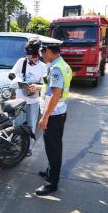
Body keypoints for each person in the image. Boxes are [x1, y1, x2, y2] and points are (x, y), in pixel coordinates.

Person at [28, 41, 72, 195]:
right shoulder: (60, 64)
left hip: (54, 114)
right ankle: (50, 171)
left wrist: (45, 117)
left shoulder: (56, 69)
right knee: (53, 146)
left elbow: (56, 94)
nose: (41, 55)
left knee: (53, 148)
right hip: (58, 112)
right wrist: (39, 87)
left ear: (48, 50)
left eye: (42, 52)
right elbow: (51, 88)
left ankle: (51, 183)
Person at [8, 38, 47, 156]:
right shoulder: (22, 62)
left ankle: (28, 149)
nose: (31, 58)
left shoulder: (43, 67)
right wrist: (18, 80)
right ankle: (15, 146)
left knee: (31, 125)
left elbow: (46, 84)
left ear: (38, 53)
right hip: (20, 100)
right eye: (29, 56)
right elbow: (11, 75)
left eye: (33, 56)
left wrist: (37, 87)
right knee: (17, 124)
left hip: (34, 100)